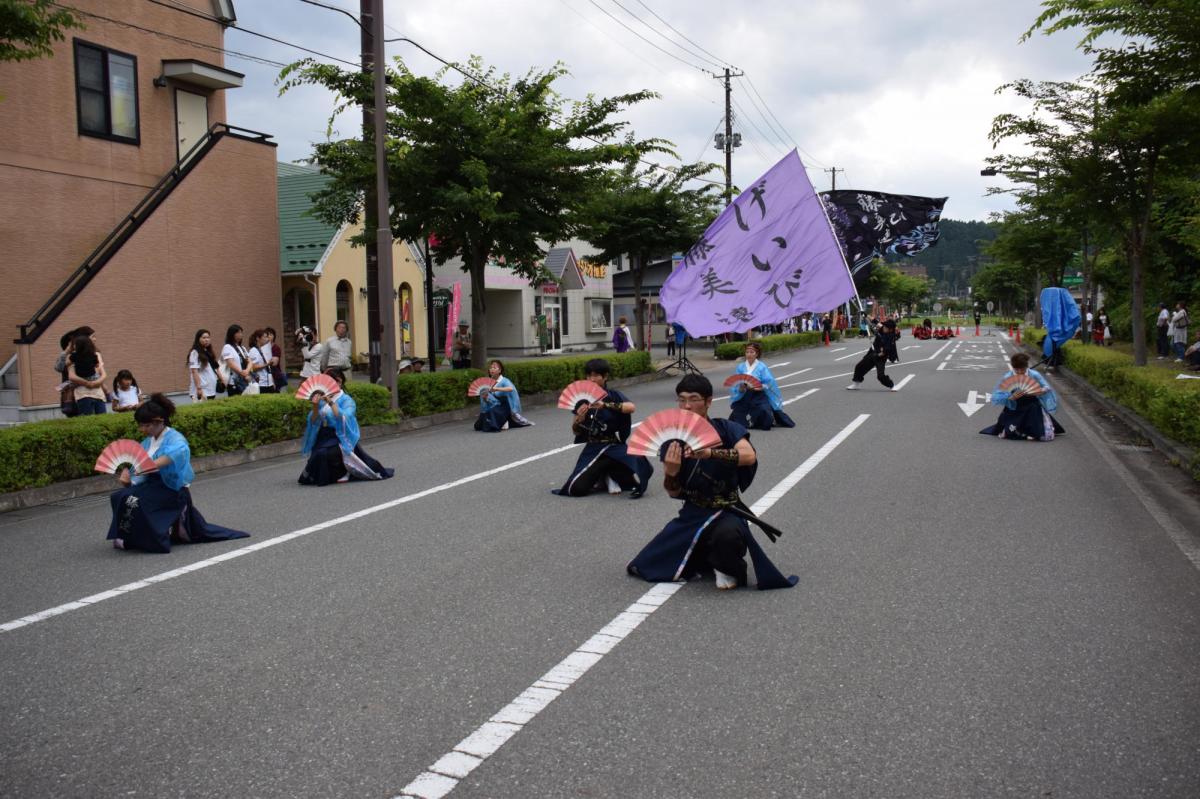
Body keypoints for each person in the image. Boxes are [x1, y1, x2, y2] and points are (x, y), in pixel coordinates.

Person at [626, 374, 797, 592]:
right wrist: (670, 473)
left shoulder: (726, 428)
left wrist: (710, 453)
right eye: (681, 399)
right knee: (644, 566)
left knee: (727, 536)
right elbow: (673, 492)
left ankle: (725, 565)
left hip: (727, 509)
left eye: (693, 399)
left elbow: (748, 456)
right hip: (693, 512)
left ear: (708, 401)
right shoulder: (672, 441)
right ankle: (707, 556)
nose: (686, 406)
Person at [107, 394, 249, 553]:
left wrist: (143, 467)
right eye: (140, 425)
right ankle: (129, 536)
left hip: (171, 489)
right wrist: (128, 481)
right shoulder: (148, 441)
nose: (142, 429)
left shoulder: (176, 440)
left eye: (146, 425)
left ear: (158, 422)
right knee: (120, 496)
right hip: (151, 485)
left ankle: (147, 538)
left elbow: (163, 460)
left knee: (133, 500)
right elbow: (140, 472)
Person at [554, 358, 653, 498]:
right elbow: (575, 431)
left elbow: (631, 407)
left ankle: (610, 474)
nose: (591, 379)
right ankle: (604, 475)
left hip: (613, 444)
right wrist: (578, 420)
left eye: (595, 375)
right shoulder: (582, 400)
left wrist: (606, 405)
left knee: (640, 461)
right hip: (593, 447)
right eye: (588, 375)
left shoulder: (613, 395)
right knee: (576, 489)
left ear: (605, 376)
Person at [298, 368, 394, 485]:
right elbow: (313, 421)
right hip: (324, 435)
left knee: (323, 454)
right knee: (317, 456)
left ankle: (344, 472)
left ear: (338, 382)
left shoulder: (346, 400)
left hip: (340, 436)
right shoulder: (322, 401)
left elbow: (344, 417)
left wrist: (331, 403)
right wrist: (315, 406)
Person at [980, 352, 1064, 441]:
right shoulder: (1008, 376)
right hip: (1015, 405)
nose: (1020, 372)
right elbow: (998, 394)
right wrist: (1011, 397)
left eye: (1022, 369)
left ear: (1026, 367)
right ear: (1013, 367)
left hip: (1032, 403)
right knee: (1010, 431)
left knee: (1038, 431)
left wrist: (1037, 391)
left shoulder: (1034, 374)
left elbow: (1046, 387)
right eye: (1017, 370)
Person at [728, 342, 795, 430]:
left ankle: (771, 418)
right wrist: (741, 387)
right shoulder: (740, 367)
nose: (749, 354)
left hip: (758, 395)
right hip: (745, 395)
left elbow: (768, 383)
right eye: (747, 352)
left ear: (757, 354)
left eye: (752, 352)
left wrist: (757, 387)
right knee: (738, 414)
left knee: (764, 412)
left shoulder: (761, 367)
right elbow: (736, 382)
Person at [474, 359, 534, 432]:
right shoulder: (489, 381)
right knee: (483, 391)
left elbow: (510, 388)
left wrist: (497, 388)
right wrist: (485, 397)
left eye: (494, 367)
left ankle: (503, 420)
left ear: (500, 371)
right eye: (491, 368)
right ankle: (485, 413)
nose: (492, 369)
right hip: (493, 403)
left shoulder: (504, 381)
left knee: (493, 412)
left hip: (504, 405)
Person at [847, 318, 899, 391]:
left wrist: (877, 355)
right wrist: (865, 316)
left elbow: (885, 352)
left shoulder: (890, 338)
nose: (884, 327)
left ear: (890, 329)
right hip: (872, 353)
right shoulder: (882, 329)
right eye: (884, 326)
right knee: (859, 366)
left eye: (886, 327)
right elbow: (873, 322)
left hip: (881, 357)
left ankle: (892, 385)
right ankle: (856, 384)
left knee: (880, 376)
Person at [67, 332, 108, 415]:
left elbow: (68, 364)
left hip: (87, 386)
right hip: (89, 386)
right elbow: (98, 367)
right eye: (92, 337)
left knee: (87, 416)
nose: (94, 339)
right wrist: (93, 383)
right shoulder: (93, 355)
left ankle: (69, 400)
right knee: (101, 416)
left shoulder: (74, 356)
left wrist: (70, 359)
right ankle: (107, 393)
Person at [187, 328, 220, 402]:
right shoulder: (195, 353)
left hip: (210, 388)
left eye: (208, 337)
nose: (206, 340)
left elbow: (215, 368)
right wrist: (199, 388)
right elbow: (194, 371)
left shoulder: (208, 351)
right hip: (202, 390)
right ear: (198, 339)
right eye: (204, 337)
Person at [221, 325, 253, 396]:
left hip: (245, 379)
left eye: (241, 332)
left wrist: (247, 371)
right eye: (238, 332)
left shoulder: (243, 348)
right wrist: (242, 373)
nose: (240, 335)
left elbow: (250, 361)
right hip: (234, 382)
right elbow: (230, 363)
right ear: (232, 334)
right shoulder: (227, 347)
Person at [246, 329, 277, 394]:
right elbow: (253, 368)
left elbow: (268, 368)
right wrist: (267, 364)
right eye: (265, 337)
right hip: (261, 384)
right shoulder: (253, 350)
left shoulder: (264, 350)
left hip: (269, 383)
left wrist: (272, 382)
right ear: (258, 338)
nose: (267, 339)